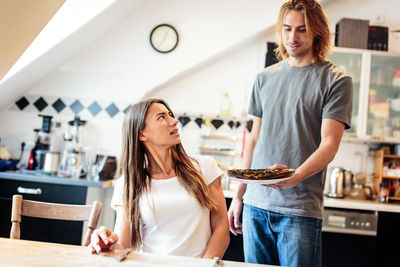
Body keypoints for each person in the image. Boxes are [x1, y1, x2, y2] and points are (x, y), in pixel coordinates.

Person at [227, 1, 353, 266]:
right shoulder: (263, 78)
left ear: (317, 31)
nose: (292, 38)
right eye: (287, 29)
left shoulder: (336, 80)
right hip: (256, 205)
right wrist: (239, 195)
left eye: (301, 30)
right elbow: (253, 139)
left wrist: (295, 177)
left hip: (300, 209)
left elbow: (329, 144)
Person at [89, 98, 229, 258]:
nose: (174, 121)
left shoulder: (204, 167)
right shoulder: (128, 184)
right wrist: (105, 240)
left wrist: (203, 265)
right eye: (162, 117)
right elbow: (123, 245)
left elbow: (221, 226)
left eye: (170, 115)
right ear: (142, 134)